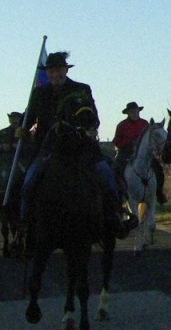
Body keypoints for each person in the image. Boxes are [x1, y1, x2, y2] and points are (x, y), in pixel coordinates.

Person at [20, 51, 130, 235]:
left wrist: (90, 127)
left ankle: (116, 218)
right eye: (51, 71)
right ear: (46, 72)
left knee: (107, 176)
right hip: (47, 149)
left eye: (59, 70)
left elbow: (93, 117)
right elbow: (28, 118)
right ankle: (25, 227)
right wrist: (22, 128)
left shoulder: (82, 89)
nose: (55, 74)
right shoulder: (39, 93)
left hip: (81, 147)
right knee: (27, 184)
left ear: (66, 70)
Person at [112, 102, 149, 186]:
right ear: (128, 113)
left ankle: (158, 191)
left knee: (157, 167)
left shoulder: (145, 124)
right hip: (126, 152)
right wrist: (126, 144)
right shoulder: (122, 125)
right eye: (132, 112)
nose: (135, 114)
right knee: (118, 167)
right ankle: (120, 187)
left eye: (136, 112)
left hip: (143, 153)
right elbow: (116, 140)